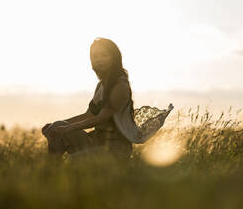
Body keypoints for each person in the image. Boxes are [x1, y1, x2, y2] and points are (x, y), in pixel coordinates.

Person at [42, 37, 174, 161]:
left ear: (115, 58)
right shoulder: (101, 85)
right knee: (57, 125)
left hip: (115, 148)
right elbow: (89, 115)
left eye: (104, 55)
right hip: (96, 141)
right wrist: (57, 126)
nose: (99, 59)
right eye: (95, 56)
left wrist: (68, 129)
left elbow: (102, 118)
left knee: (73, 161)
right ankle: (51, 171)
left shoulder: (120, 85)